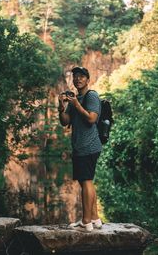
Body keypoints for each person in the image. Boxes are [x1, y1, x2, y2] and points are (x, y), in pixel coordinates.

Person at [58, 66, 102, 232]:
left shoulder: (91, 96)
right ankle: (95, 219)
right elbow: (65, 121)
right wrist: (61, 106)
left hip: (89, 146)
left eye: (81, 76)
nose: (77, 79)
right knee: (88, 182)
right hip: (80, 147)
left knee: (86, 182)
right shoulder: (75, 98)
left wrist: (76, 104)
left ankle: (86, 221)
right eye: (75, 76)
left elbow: (91, 118)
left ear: (87, 79)